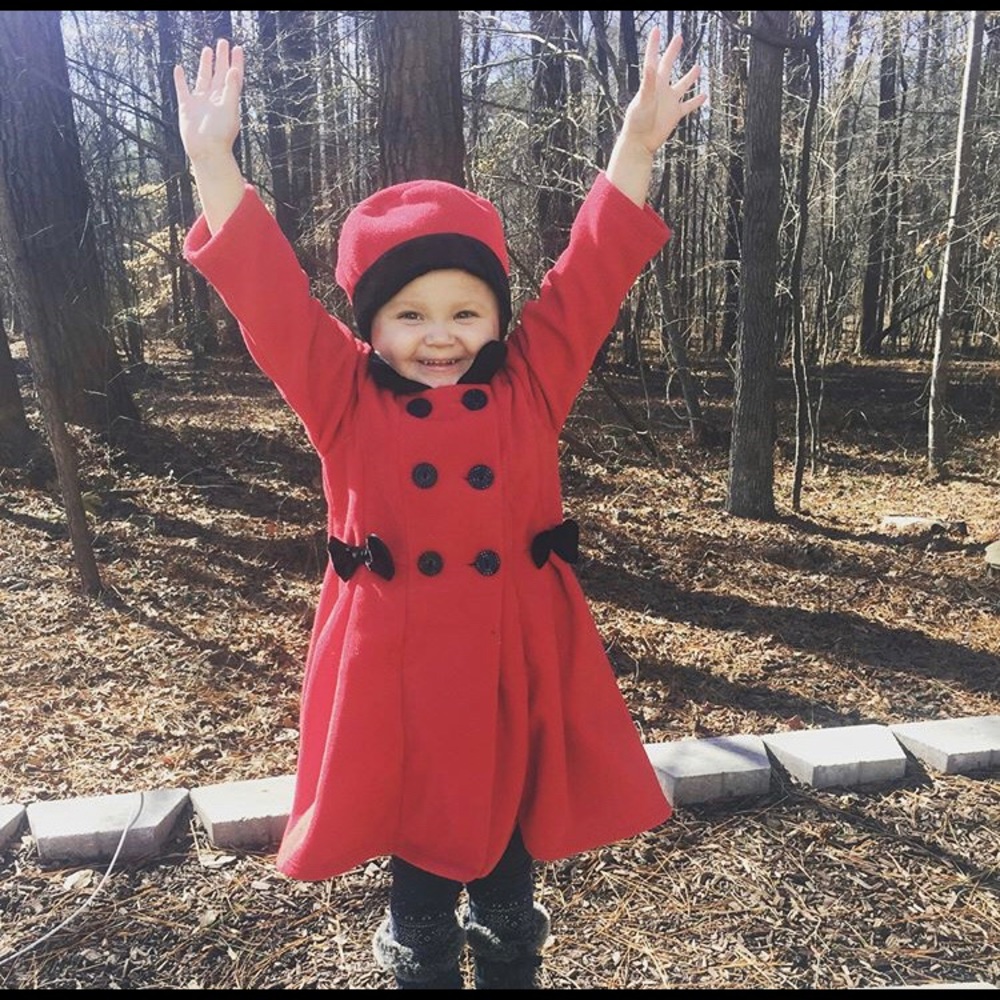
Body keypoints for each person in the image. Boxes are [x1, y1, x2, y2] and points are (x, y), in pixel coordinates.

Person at [174, 27, 706, 990]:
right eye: (409, 315)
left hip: (515, 643)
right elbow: (269, 301)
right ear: (368, 325)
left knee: (504, 841)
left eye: (466, 311)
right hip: (395, 657)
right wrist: (215, 162)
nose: (440, 337)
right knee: (418, 850)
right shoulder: (343, 397)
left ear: (500, 318)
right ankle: (418, 959)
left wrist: (636, 146)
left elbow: (592, 272)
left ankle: (511, 952)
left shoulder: (531, 387)